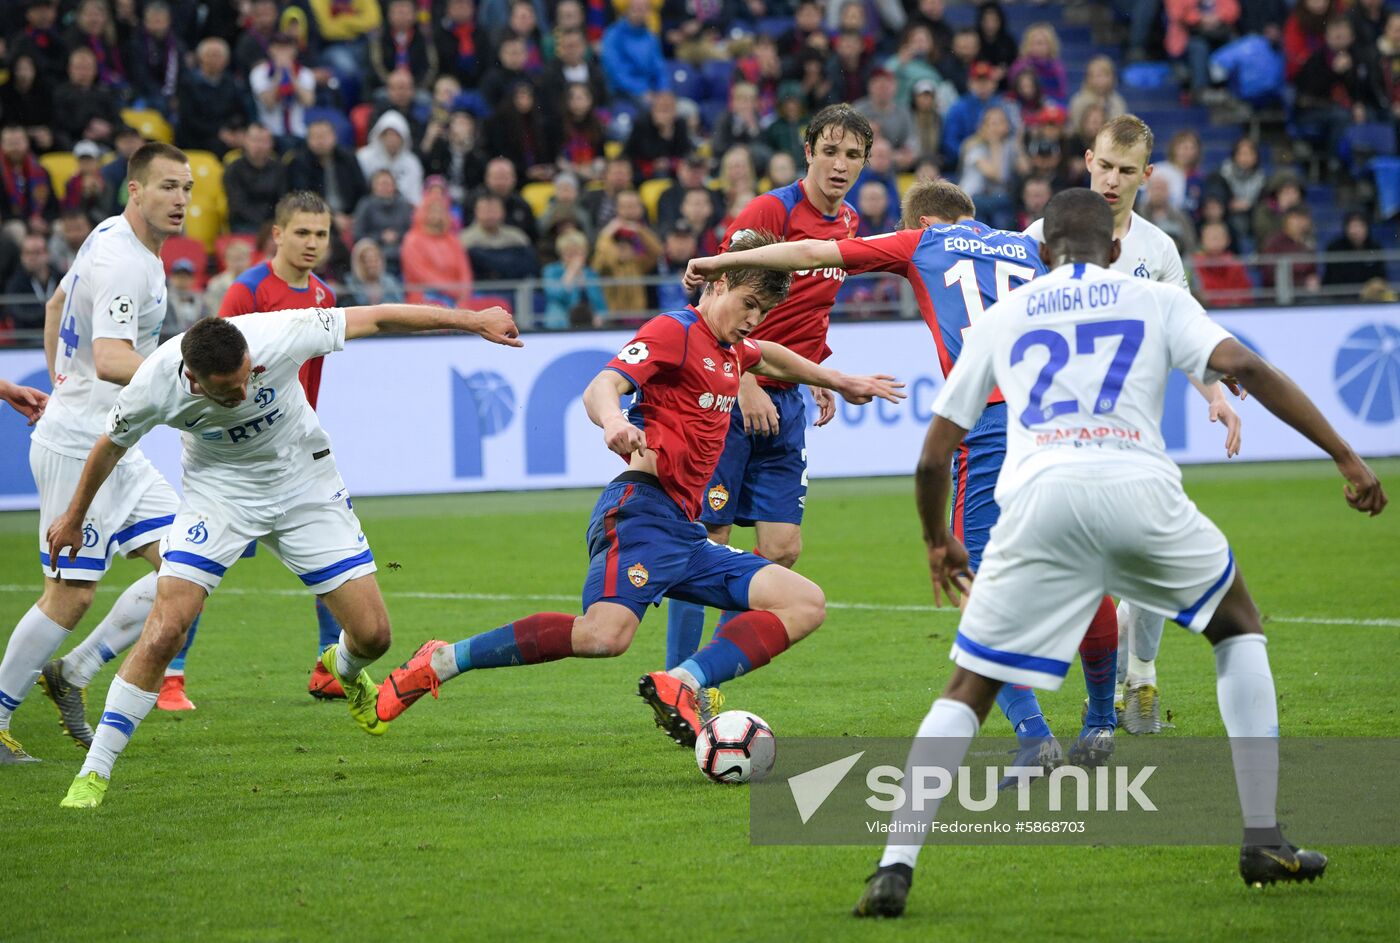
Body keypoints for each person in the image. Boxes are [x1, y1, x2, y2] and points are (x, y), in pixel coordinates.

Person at [851, 187, 1387, 917]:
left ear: (1042, 254)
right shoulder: (1151, 296)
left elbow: (932, 455)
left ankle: (893, 867)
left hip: (1039, 501)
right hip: (1141, 490)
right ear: (1112, 249)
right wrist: (1347, 457)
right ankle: (1262, 834)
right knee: (1237, 626)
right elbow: (1251, 371)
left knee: (968, 687)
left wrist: (935, 539)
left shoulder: (1003, 316)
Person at [373, 230, 904, 744]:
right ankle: (442, 660)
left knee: (805, 602)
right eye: (747, 303)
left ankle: (685, 683)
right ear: (716, 285)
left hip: (686, 532)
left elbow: (769, 355)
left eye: (761, 312)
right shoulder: (675, 331)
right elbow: (601, 385)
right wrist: (611, 422)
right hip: (640, 511)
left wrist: (841, 380)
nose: (752, 319)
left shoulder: (732, 350)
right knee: (603, 637)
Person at [49, 300, 521, 808]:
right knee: (166, 628)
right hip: (220, 496)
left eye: (247, 378)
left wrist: (474, 320)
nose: (244, 392)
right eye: (228, 392)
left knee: (374, 636)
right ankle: (93, 774)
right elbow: (109, 446)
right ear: (195, 379)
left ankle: (339, 666)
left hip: (304, 486)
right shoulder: (153, 385)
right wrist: (73, 518)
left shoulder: (280, 333)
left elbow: (380, 317)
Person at [1024, 114, 1244, 736]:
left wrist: (1214, 396)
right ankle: (1091, 695)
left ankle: (1140, 676)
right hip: (1058, 439)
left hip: (1136, 435)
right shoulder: (1039, 237)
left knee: (1144, 558)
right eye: (1105, 166)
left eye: (1127, 171)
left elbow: (1187, 335)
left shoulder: (1158, 249)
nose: (1113, 180)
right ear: (1087, 161)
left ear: (1147, 175)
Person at [0, 143, 198, 764]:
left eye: (187, 188)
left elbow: (59, 303)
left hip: (116, 442)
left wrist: (64, 382)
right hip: (78, 448)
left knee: (189, 566)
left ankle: (74, 671)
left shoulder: (112, 239)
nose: (181, 200)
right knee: (70, 594)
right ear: (134, 190)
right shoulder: (123, 260)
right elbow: (113, 358)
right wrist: (190, 381)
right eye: (168, 187)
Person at [663, 105, 872, 683]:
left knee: (782, 548)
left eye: (852, 155)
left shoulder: (849, 222)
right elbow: (720, 295)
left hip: (790, 398)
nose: (839, 164)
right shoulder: (770, 210)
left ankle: (701, 671)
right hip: (731, 394)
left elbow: (811, 310)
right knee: (710, 538)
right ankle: (677, 679)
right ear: (808, 151)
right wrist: (746, 379)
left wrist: (817, 371)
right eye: (829, 151)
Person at [216, 191, 349, 698]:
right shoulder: (245, 294)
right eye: (302, 233)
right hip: (243, 457)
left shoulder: (324, 297)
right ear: (277, 234)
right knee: (201, 567)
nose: (313, 243)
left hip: (298, 450)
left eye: (321, 234)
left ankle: (328, 667)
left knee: (334, 557)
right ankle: (172, 672)